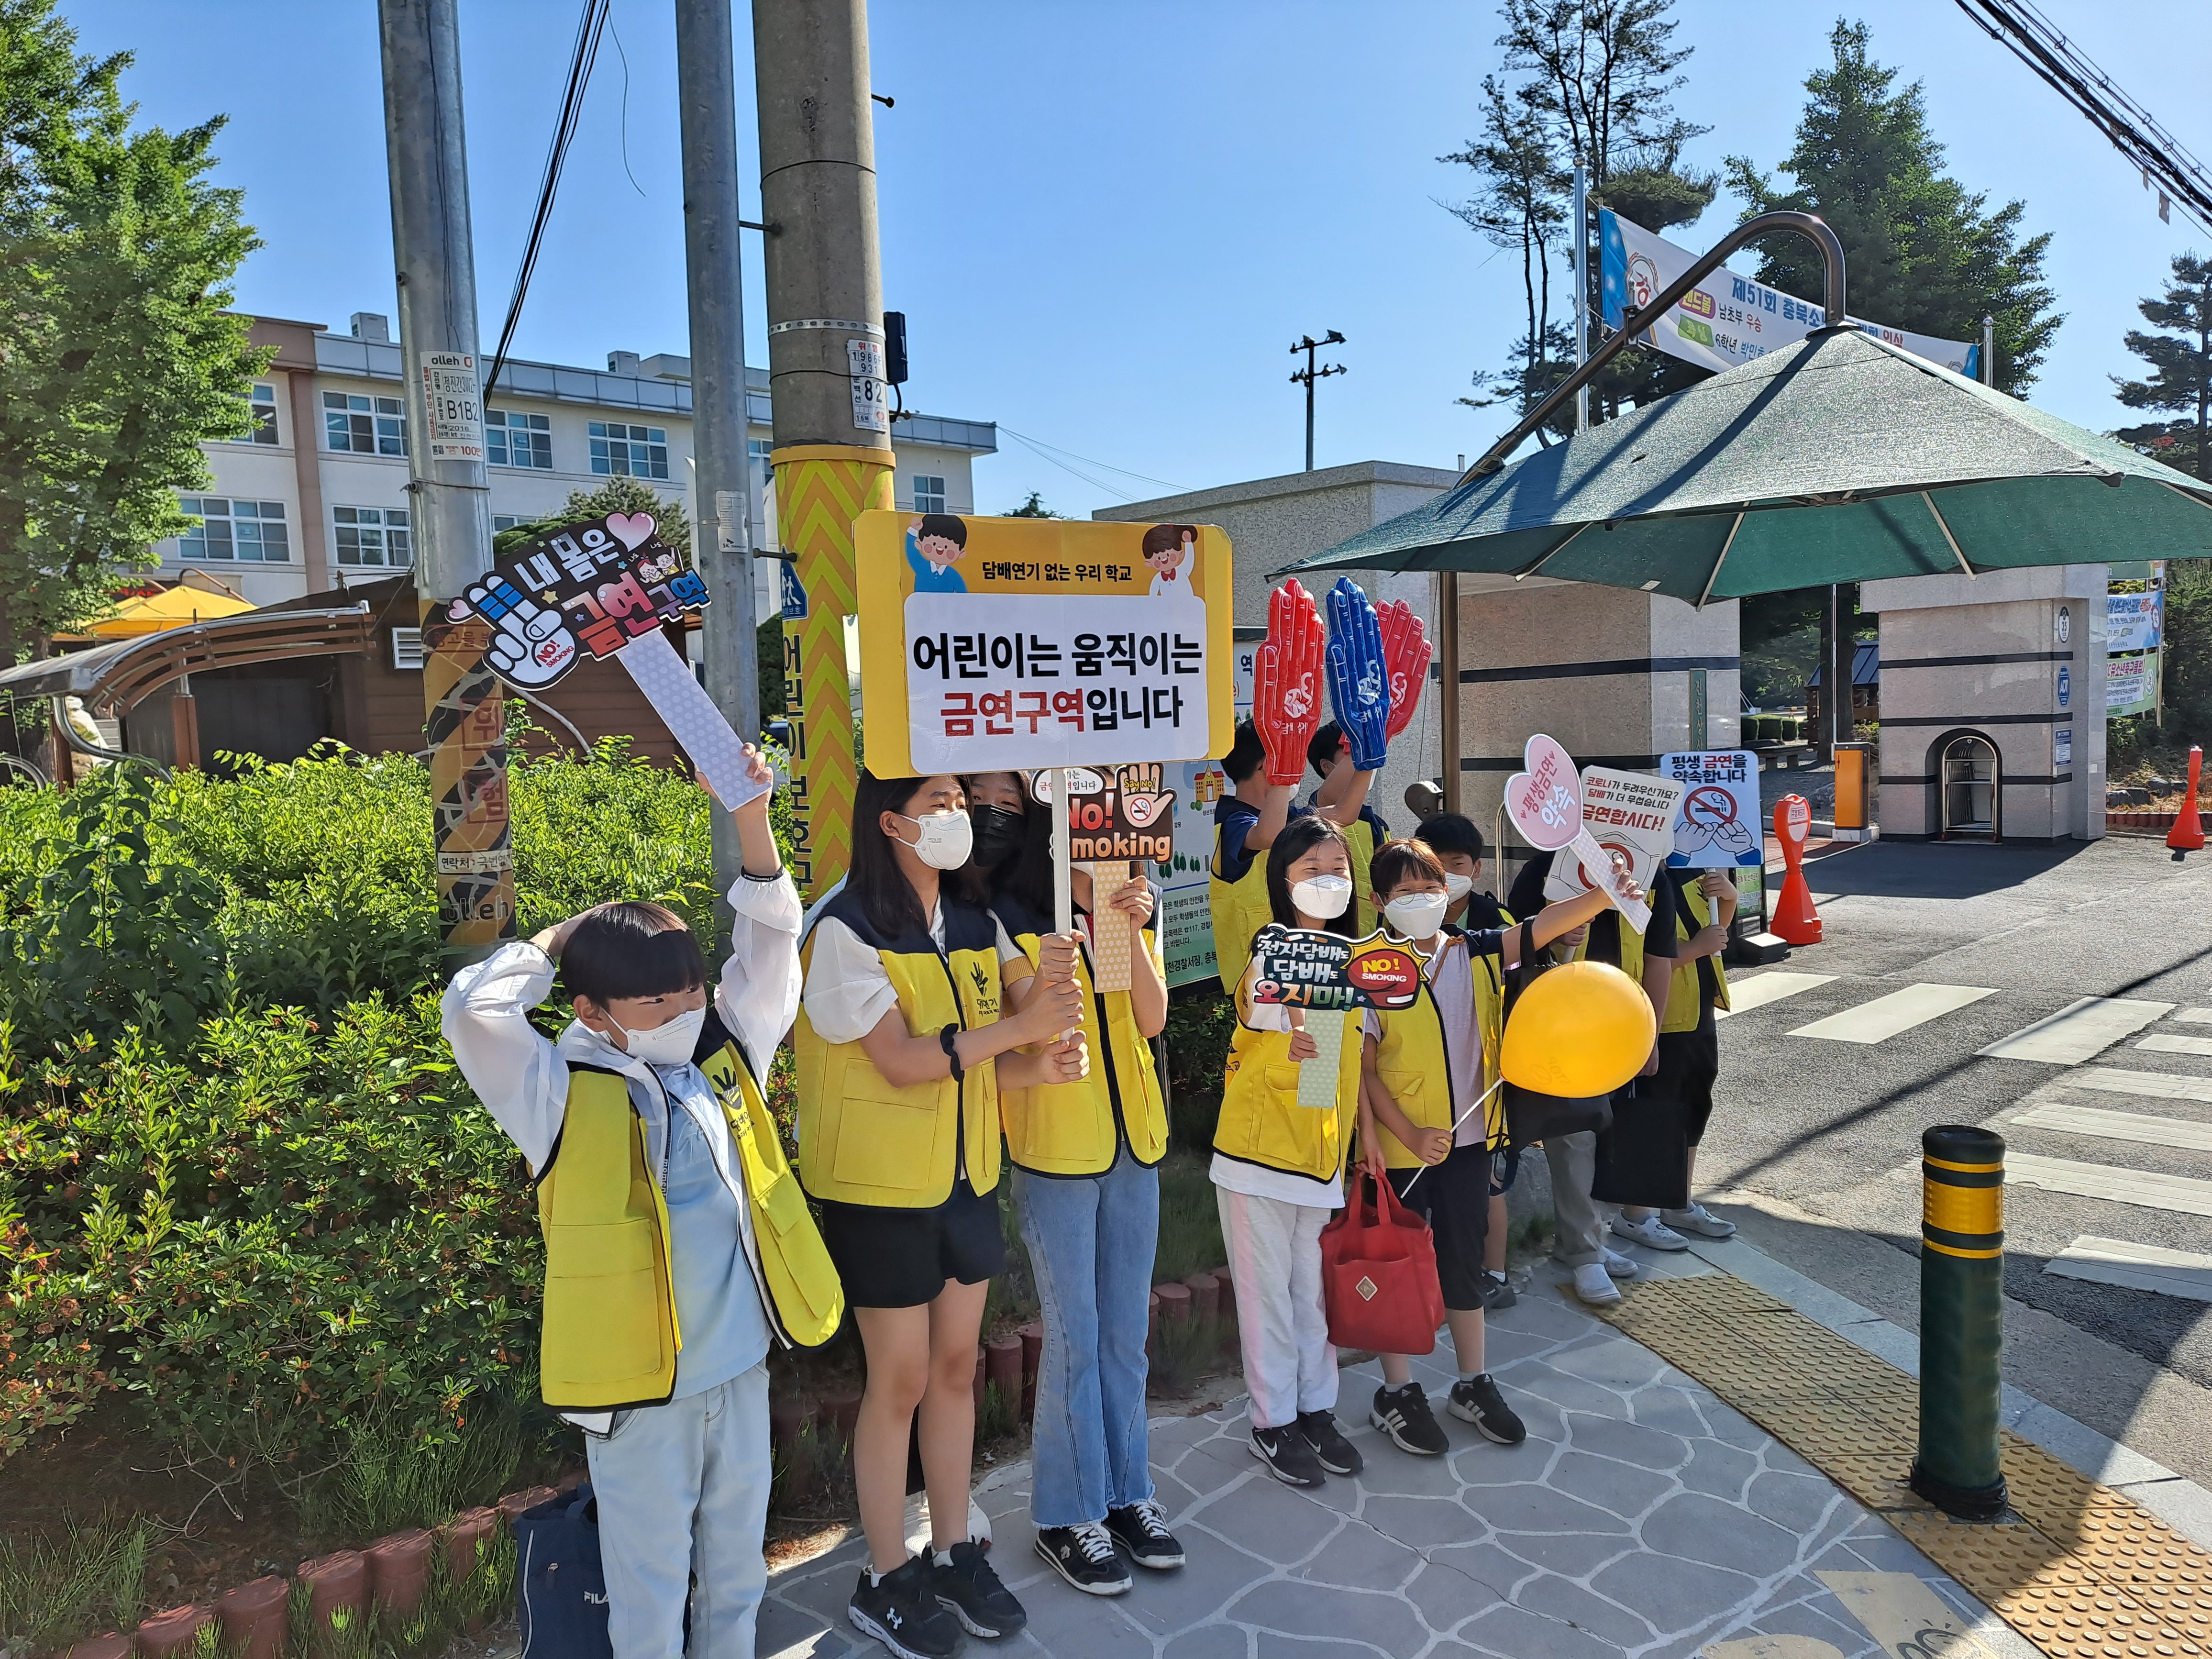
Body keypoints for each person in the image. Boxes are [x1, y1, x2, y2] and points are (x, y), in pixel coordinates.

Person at [441, 746, 840, 1659]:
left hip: (738, 1365)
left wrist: (750, 814)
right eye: (656, 1000)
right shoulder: (552, 1088)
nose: (684, 1009)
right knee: (649, 1585)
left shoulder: (720, 1054)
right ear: (592, 1008)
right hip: (636, 1398)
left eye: (691, 989)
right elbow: (473, 1011)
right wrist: (560, 933)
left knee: (737, 1568)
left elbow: (773, 948)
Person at [795, 770, 1088, 1659]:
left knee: (956, 1367)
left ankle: (954, 1548)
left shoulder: (974, 921)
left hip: (963, 1175)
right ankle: (885, 1575)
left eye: (961, 802)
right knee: (901, 1378)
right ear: (889, 822)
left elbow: (1013, 1014)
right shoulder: (843, 929)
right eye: (937, 806)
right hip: (878, 1192)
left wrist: (1076, 947)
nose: (959, 816)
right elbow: (900, 1061)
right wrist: (1017, 1029)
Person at [967, 771, 1186, 1598]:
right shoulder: (1007, 921)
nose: (1115, 850)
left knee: (1124, 1331)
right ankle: (1066, 1512)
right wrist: (1068, 940)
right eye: (1096, 837)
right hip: (1058, 1149)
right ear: (1057, 838)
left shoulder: (1135, 908)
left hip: (1135, 1143)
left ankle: (1127, 1493)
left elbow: (1152, 1018)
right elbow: (1031, 1020)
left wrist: (1123, 925)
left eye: (1124, 839)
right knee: (1075, 1331)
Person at [1357, 838, 1634, 1457]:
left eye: (1431, 888)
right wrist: (1404, 1134)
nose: (1421, 900)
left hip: (1471, 1143)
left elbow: (1541, 928)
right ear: (1378, 902)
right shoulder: (1368, 967)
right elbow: (1364, 1067)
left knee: (1463, 1262)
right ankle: (1396, 1392)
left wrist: (1602, 895)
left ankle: (1472, 1381)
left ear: (1449, 893)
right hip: (1403, 1153)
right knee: (1398, 1270)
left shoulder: (1473, 953)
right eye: (1404, 893)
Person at [1507, 851, 1684, 1304]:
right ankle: (1585, 1252)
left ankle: (1592, 1239)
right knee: (1574, 1135)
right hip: (1561, 1027)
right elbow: (1513, 948)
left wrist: (1651, 1036)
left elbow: (1659, 957)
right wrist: (1553, 934)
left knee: (1610, 1131)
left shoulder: (1651, 876)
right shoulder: (1545, 867)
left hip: (1621, 1027)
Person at [1209, 719, 1378, 995]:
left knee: (1325, 1037)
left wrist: (1366, 749)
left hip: (1313, 966)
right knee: (1279, 1041)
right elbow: (1269, 836)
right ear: (1267, 765)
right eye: (1291, 759)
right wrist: (1282, 775)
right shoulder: (1234, 820)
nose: (1298, 771)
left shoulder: (1291, 818)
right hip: (1260, 985)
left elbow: (1344, 814)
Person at [1648, 868, 1738, 1240]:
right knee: (1659, 1113)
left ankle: (1678, 1201)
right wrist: (1697, 948)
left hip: (1700, 1011)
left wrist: (1729, 899)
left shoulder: (1694, 871)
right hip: (1665, 1016)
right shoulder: (1642, 878)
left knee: (1695, 1107)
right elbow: (1645, 960)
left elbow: (1714, 934)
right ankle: (1642, 1207)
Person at [1304, 721, 1388, 933]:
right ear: (1326, 767)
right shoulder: (1317, 813)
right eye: (1351, 753)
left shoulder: (1376, 823)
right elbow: (1340, 809)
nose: (1365, 763)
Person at [906, 512, 970, 593]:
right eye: (934, 544)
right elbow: (912, 553)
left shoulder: (953, 574)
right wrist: (914, 530)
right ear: (919, 544)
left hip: (945, 605)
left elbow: (963, 594)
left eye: (947, 547)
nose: (940, 549)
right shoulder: (921, 566)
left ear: (961, 553)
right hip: (921, 605)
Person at [1141, 523, 1195, 596]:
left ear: (1181, 554)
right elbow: (1152, 596)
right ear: (1149, 563)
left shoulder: (1182, 571)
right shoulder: (1157, 579)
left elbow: (1190, 559)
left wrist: (1188, 543)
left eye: (1168, 555)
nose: (1164, 559)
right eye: (1159, 558)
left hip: (1188, 605)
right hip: (1167, 606)